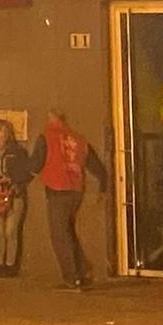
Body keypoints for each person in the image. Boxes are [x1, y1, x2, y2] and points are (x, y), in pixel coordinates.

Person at [30, 109, 109, 289]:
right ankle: (82, 270)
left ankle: (72, 277)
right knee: (68, 232)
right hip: (76, 190)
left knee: (59, 235)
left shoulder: (46, 136)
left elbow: (36, 163)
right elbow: (95, 165)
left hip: (57, 190)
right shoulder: (78, 139)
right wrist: (103, 185)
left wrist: (20, 179)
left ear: (53, 117)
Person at [0, 119, 32, 277]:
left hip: (13, 195)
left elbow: (25, 172)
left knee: (11, 230)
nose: (1, 135)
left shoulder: (17, 152)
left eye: (4, 131)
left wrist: (11, 180)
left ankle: (11, 264)